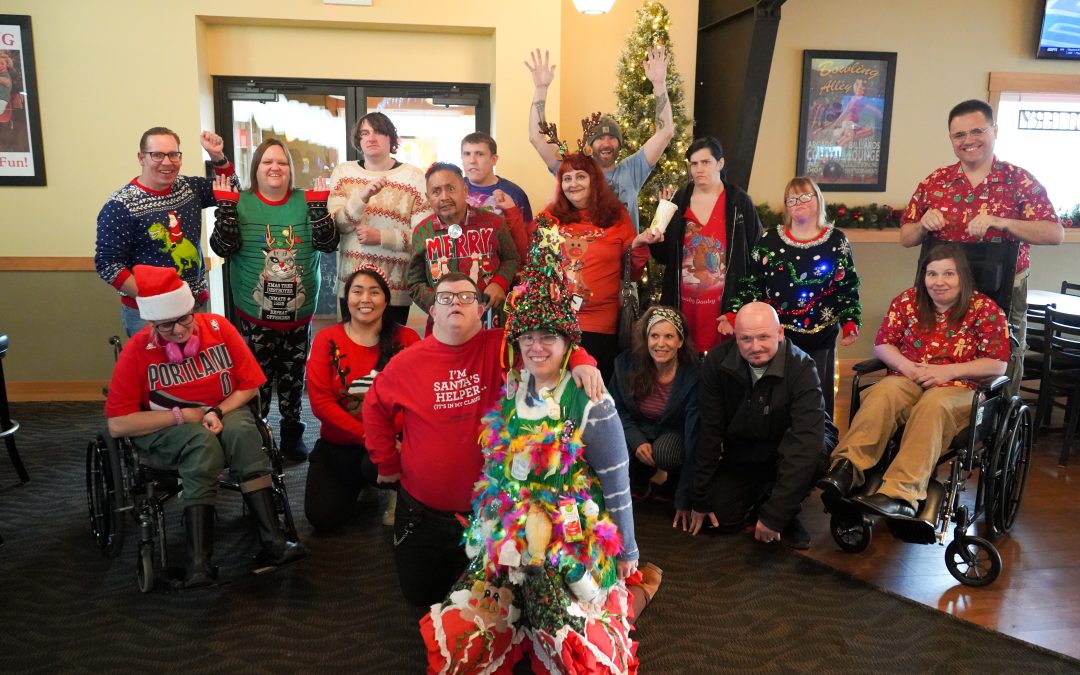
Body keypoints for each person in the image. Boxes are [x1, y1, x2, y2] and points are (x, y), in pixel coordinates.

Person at [420, 218, 644, 675]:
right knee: (469, 634)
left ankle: (637, 591)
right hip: (509, 528)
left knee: (572, 645)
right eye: (528, 338)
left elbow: (617, 482)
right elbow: (499, 467)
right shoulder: (514, 383)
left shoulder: (589, 398)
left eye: (549, 337)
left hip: (572, 535)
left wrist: (629, 551)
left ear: (567, 342)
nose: (537, 347)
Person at [361, 271, 604, 607]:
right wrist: (385, 462)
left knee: (495, 605)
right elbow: (374, 408)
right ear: (433, 311)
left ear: (480, 308)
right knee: (419, 598)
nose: (455, 304)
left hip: (489, 516)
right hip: (423, 513)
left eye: (465, 297)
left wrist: (581, 361)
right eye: (445, 298)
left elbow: (548, 345)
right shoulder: (407, 362)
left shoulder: (502, 346)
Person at [104, 265, 306, 587]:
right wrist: (181, 416)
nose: (181, 331)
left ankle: (274, 542)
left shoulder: (219, 328)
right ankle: (199, 562)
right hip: (165, 426)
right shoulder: (137, 351)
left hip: (223, 409)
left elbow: (251, 386)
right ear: (152, 324)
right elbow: (117, 424)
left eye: (185, 319)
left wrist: (217, 410)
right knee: (203, 446)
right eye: (167, 326)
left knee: (243, 433)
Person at [818, 244, 1010, 519]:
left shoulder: (985, 309)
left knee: (933, 405)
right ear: (923, 277)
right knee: (884, 392)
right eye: (932, 274)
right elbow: (883, 344)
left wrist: (948, 372)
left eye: (948, 274)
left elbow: (997, 363)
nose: (939, 282)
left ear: (963, 277)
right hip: (909, 377)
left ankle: (901, 493)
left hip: (960, 387)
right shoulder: (907, 301)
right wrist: (906, 366)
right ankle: (846, 469)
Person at [899, 99, 1062, 398]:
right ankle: (935, 414)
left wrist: (1003, 222)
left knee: (1004, 356)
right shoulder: (935, 182)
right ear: (951, 139)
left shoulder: (1019, 180)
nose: (968, 140)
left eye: (977, 131)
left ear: (994, 130)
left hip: (1003, 288)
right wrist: (923, 224)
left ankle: (997, 424)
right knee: (936, 351)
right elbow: (907, 237)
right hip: (942, 288)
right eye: (959, 135)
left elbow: (1054, 233)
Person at [209, 138, 340, 462]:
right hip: (256, 317)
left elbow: (328, 244)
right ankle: (258, 432)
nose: (275, 167)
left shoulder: (306, 200)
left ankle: (292, 431)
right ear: (256, 168)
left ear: (289, 169)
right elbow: (222, 248)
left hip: (298, 316)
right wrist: (225, 209)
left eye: (281, 162)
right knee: (257, 379)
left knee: (294, 378)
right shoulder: (240, 202)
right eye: (267, 161)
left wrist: (319, 208)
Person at [688, 302, 834, 549]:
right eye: (746, 339)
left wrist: (776, 516)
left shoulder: (802, 367)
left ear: (779, 333)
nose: (755, 347)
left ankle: (785, 508)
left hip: (791, 445)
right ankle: (764, 495)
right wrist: (700, 497)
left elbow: (805, 444)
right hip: (744, 449)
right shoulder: (716, 362)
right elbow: (709, 432)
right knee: (722, 519)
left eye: (763, 337)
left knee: (817, 450)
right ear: (735, 337)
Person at [729, 176, 861, 415]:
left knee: (816, 394)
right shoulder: (768, 241)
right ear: (786, 205)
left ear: (818, 199)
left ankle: (819, 442)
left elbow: (848, 284)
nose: (798, 202)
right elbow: (753, 284)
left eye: (804, 196)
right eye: (792, 198)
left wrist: (850, 320)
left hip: (821, 335)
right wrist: (736, 314)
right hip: (778, 338)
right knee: (778, 395)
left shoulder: (836, 241)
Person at [304, 265, 420, 533]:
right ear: (347, 298)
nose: (365, 299)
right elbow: (321, 404)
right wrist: (368, 435)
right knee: (323, 517)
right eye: (357, 291)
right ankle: (362, 483)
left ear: (387, 300)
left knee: (378, 464)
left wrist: (385, 438)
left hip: (393, 442)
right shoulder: (326, 339)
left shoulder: (408, 339)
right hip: (340, 442)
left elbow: (416, 399)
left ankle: (391, 489)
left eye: (374, 292)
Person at [95, 127, 235, 337]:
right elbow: (108, 265)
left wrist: (217, 157)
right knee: (157, 369)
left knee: (198, 369)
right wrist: (157, 299)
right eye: (157, 155)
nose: (167, 162)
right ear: (141, 158)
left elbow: (231, 191)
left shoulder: (190, 187)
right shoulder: (120, 205)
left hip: (194, 306)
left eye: (173, 154)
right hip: (148, 315)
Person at [526, 45, 674, 232]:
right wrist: (540, 89)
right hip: (585, 258)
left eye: (612, 138)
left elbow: (665, 132)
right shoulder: (573, 170)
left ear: (619, 144)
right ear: (589, 144)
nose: (606, 143)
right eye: (599, 138)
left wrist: (660, 84)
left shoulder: (632, 170)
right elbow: (536, 139)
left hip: (625, 258)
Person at [537, 152, 659, 379]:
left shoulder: (617, 216)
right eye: (567, 178)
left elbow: (632, 271)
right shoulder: (550, 216)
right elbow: (533, 260)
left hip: (600, 326)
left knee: (596, 396)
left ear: (594, 179)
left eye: (580, 176)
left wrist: (640, 246)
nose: (573, 184)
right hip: (556, 323)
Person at [650, 136, 763, 354]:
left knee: (721, 369)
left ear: (720, 164)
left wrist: (738, 307)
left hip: (723, 311)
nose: (699, 169)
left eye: (706, 162)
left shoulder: (738, 202)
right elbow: (664, 256)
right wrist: (658, 223)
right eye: (694, 163)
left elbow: (755, 255)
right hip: (684, 307)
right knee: (685, 364)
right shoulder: (679, 199)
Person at [328, 112, 431, 326]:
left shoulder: (414, 177)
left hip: (394, 289)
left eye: (378, 132)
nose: (371, 138)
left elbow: (424, 238)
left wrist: (382, 237)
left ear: (391, 138)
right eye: (364, 133)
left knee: (390, 354)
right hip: (352, 287)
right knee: (352, 352)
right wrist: (362, 197)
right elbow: (339, 223)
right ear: (358, 140)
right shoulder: (343, 173)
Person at [609, 306, 700, 517]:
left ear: (680, 341)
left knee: (666, 452)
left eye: (669, 336)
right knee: (616, 446)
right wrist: (637, 441)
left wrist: (685, 498)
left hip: (672, 434)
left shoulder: (694, 375)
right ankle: (639, 480)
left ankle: (671, 485)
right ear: (646, 338)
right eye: (655, 336)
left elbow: (695, 432)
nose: (661, 344)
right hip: (637, 428)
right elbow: (616, 408)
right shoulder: (627, 364)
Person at [406, 162, 523, 322]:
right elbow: (415, 282)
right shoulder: (422, 232)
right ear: (428, 198)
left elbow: (512, 259)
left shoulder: (494, 223)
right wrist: (438, 303)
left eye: (451, 188)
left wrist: (499, 283)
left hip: (489, 317)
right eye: (436, 191)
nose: (444, 197)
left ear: (465, 190)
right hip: (442, 322)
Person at [460, 131, 533, 222]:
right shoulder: (453, 190)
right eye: (467, 154)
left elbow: (527, 234)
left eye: (480, 154)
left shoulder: (515, 193)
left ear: (493, 159)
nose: (472, 160)